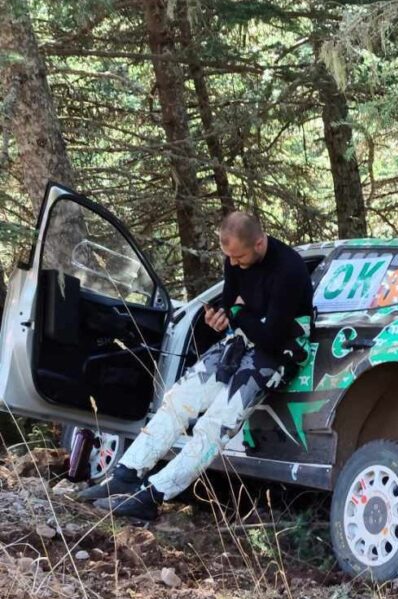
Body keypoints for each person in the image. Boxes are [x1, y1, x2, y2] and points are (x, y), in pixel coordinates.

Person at [79, 212, 313, 521]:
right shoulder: (235, 258)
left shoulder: (290, 269)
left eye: (240, 257)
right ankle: (126, 474)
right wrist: (219, 317)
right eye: (228, 257)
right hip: (242, 341)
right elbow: (230, 304)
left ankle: (153, 496)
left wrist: (238, 314)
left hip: (278, 351)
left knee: (215, 424)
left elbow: (271, 336)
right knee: (179, 399)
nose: (235, 263)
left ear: (259, 242)